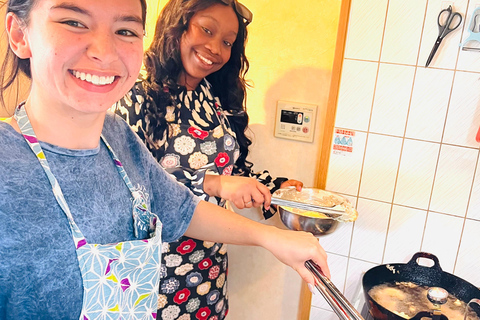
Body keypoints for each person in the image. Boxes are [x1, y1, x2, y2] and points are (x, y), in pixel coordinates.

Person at [0, 0, 329, 319]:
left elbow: (180, 208)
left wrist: (273, 234)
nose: (103, 50)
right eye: (74, 22)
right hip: (169, 278)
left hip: (205, 272)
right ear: (19, 34)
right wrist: (215, 184)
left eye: (125, 30)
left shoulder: (117, 137)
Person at [115, 0, 308, 319]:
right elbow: (130, 186)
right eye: (207, 29)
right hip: (153, 274)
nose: (216, 48)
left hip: (208, 269)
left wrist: (275, 186)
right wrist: (216, 184)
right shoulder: (138, 94)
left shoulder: (213, 98)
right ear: (177, 25)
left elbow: (232, 169)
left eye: (228, 42)